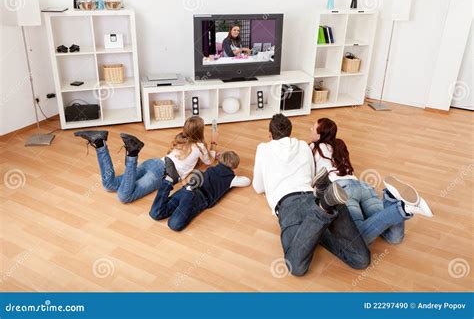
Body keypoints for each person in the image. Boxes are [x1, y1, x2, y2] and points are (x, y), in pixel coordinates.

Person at [252, 113, 371, 276]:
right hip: (312, 197)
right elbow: (311, 174)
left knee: (296, 267)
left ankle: (324, 208)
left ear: (270, 135)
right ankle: (328, 203)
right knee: (361, 260)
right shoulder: (303, 145)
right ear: (290, 132)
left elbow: (258, 187)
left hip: (288, 205)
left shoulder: (263, 148)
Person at [309, 117, 433, 246]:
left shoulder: (313, 146)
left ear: (319, 136)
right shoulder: (340, 144)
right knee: (393, 238)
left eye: (313, 128)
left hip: (342, 191)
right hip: (363, 186)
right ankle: (394, 202)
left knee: (358, 240)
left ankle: (401, 207)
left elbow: (311, 175)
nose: (310, 129)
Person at [74, 116, 216, 203]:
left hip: (154, 163)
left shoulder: (180, 139)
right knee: (124, 197)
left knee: (109, 185)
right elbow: (209, 161)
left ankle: (99, 143)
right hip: (162, 174)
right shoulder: (200, 147)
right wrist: (214, 148)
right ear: (200, 131)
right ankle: (132, 153)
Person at [149, 151, 251, 231]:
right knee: (174, 225)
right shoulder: (231, 178)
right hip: (200, 198)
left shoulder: (211, 169)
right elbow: (247, 181)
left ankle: (168, 181)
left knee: (155, 214)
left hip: (185, 189)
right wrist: (234, 175)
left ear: (220, 161)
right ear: (234, 167)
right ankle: (189, 192)